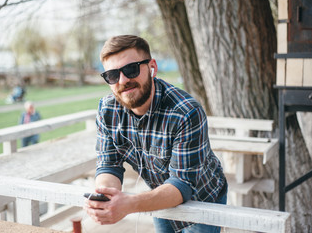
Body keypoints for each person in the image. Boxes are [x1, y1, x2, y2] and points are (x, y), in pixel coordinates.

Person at [84, 35, 228, 233]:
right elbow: (109, 165)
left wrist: (129, 203)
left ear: (152, 67)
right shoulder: (107, 110)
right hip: (159, 196)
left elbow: (182, 184)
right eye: (112, 75)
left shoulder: (186, 112)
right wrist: (104, 196)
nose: (123, 80)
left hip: (203, 199)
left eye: (131, 69)